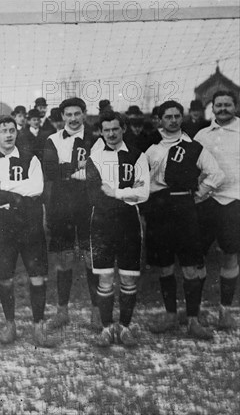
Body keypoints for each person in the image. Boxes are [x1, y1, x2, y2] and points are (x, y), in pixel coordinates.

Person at [144, 100, 224, 340]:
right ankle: (170, 316)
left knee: (191, 266)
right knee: (165, 265)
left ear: (182, 118)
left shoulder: (194, 147)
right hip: (159, 210)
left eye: (177, 116)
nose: (173, 120)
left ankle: (192, 321)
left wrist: (198, 195)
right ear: (160, 120)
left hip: (185, 209)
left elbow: (216, 175)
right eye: (168, 116)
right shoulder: (152, 149)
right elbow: (141, 180)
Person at [0, 116, 54, 347]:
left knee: (37, 275)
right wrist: (16, 194)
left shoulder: (30, 159)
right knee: (6, 277)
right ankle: (10, 324)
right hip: (2, 227)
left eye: (12, 130)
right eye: (4, 131)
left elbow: (37, 188)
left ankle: (38, 326)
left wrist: (5, 187)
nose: (9, 135)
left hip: (30, 224)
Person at [85, 111, 150, 347]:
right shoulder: (94, 158)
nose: (111, 133)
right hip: (101, 223)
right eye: (106, 130)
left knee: (128, 278)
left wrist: (116, 192)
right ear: (101, 132)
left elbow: (143, 193)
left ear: (123, 128)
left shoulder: (137, 156)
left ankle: (124, 327)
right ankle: (105, 328)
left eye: (115, 128)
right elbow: (93, 195)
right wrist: (127, 194)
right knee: (104, 277)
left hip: (129, 223)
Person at [43, 97, 101, 331]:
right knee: (64, 258)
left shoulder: (96, 140)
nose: (73, 118)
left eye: (77, 114)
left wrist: (65, 169)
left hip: (88, 202)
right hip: (61, 203)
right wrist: (76, 168)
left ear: (84, 114)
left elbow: (96, 172)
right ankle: (62, 312)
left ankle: (97, 312)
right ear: (62, 117)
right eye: (69, 114)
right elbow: (50, 170)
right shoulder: (52, 139)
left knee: (91, 257)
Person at [194, 90, 240, 330]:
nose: (223, 109)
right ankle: (195, 310)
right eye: (218, 105)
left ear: (235, 106)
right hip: (206, 202)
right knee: (197, 255)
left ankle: (225, 310)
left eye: (227, 105)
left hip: (233, 201)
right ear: (212, 107)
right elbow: (196, 169)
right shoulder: (202, 135)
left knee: (229, 254)